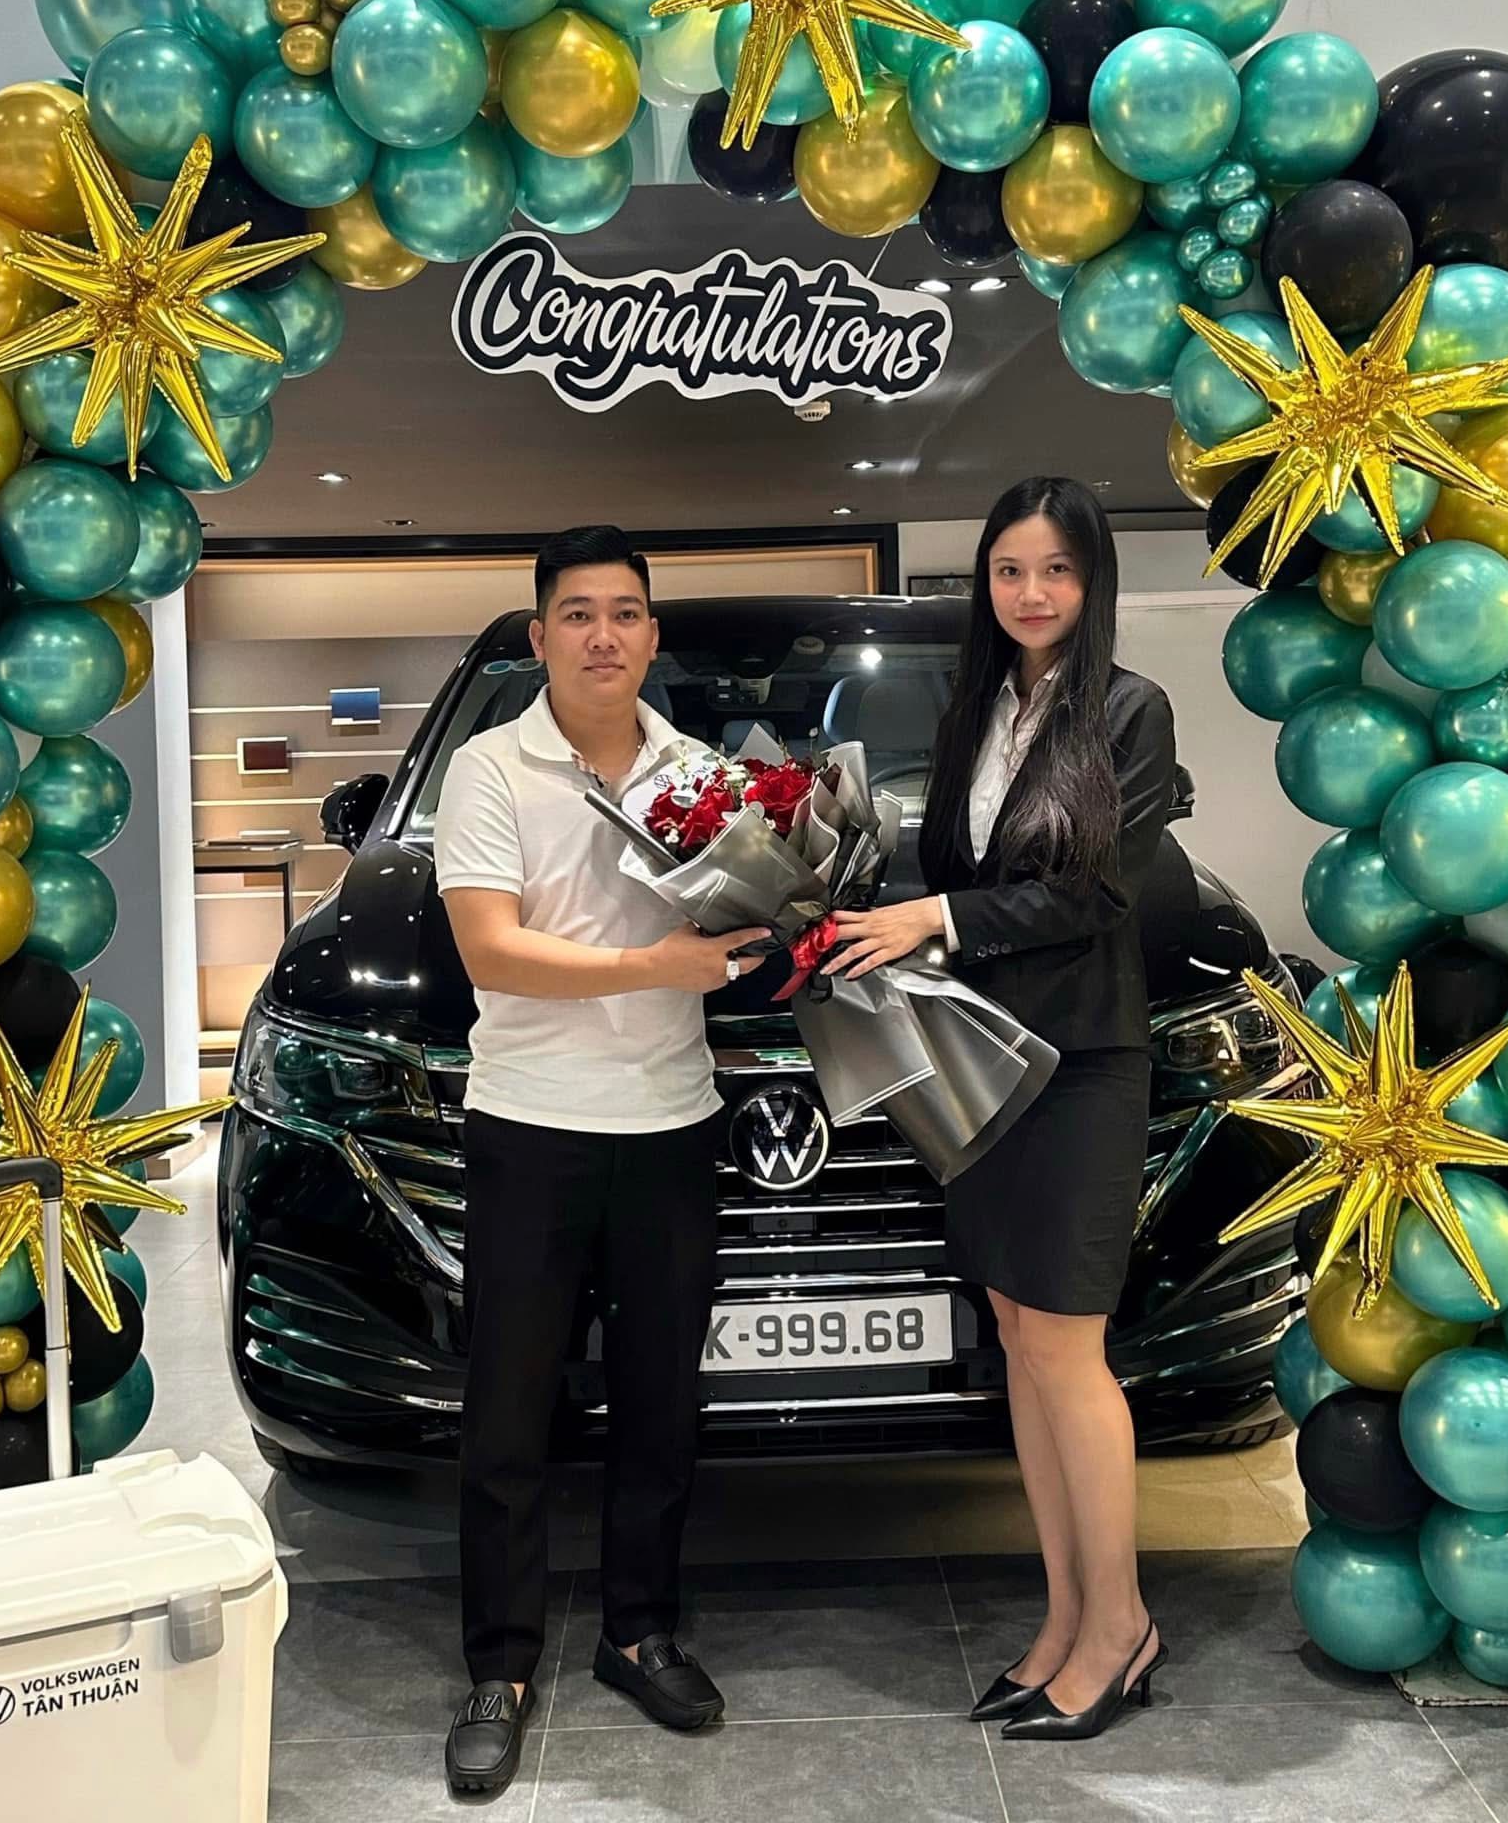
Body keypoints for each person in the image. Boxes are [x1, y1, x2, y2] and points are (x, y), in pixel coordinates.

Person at [831, 476, 1176, 1742]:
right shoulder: (972, 710)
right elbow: (951, 867)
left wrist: (934, 916)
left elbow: (1096, 893)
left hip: (1080, 1062)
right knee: (1021, 1337)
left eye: (1057, 570)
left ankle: (1122, 1624)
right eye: (1011, 570)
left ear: (1093, 581)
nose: (1032, 593)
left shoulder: (1131, 711)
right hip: (979, 1060)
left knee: (1069, 1348)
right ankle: (1064, 1611)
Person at [433, 524, 766, 1796]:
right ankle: (499, 1663)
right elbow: (491, 948)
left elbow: (741, 927)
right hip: (530, 1124)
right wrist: (651, 964)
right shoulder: (489, 767)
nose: (604, 634)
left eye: (625, 611)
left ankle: (640, 1630)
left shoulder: (703, 772)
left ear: (652, 634)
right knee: (508, 1411)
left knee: (660, 1404)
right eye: (578, 613)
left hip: (671, 1123)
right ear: (540, 637)